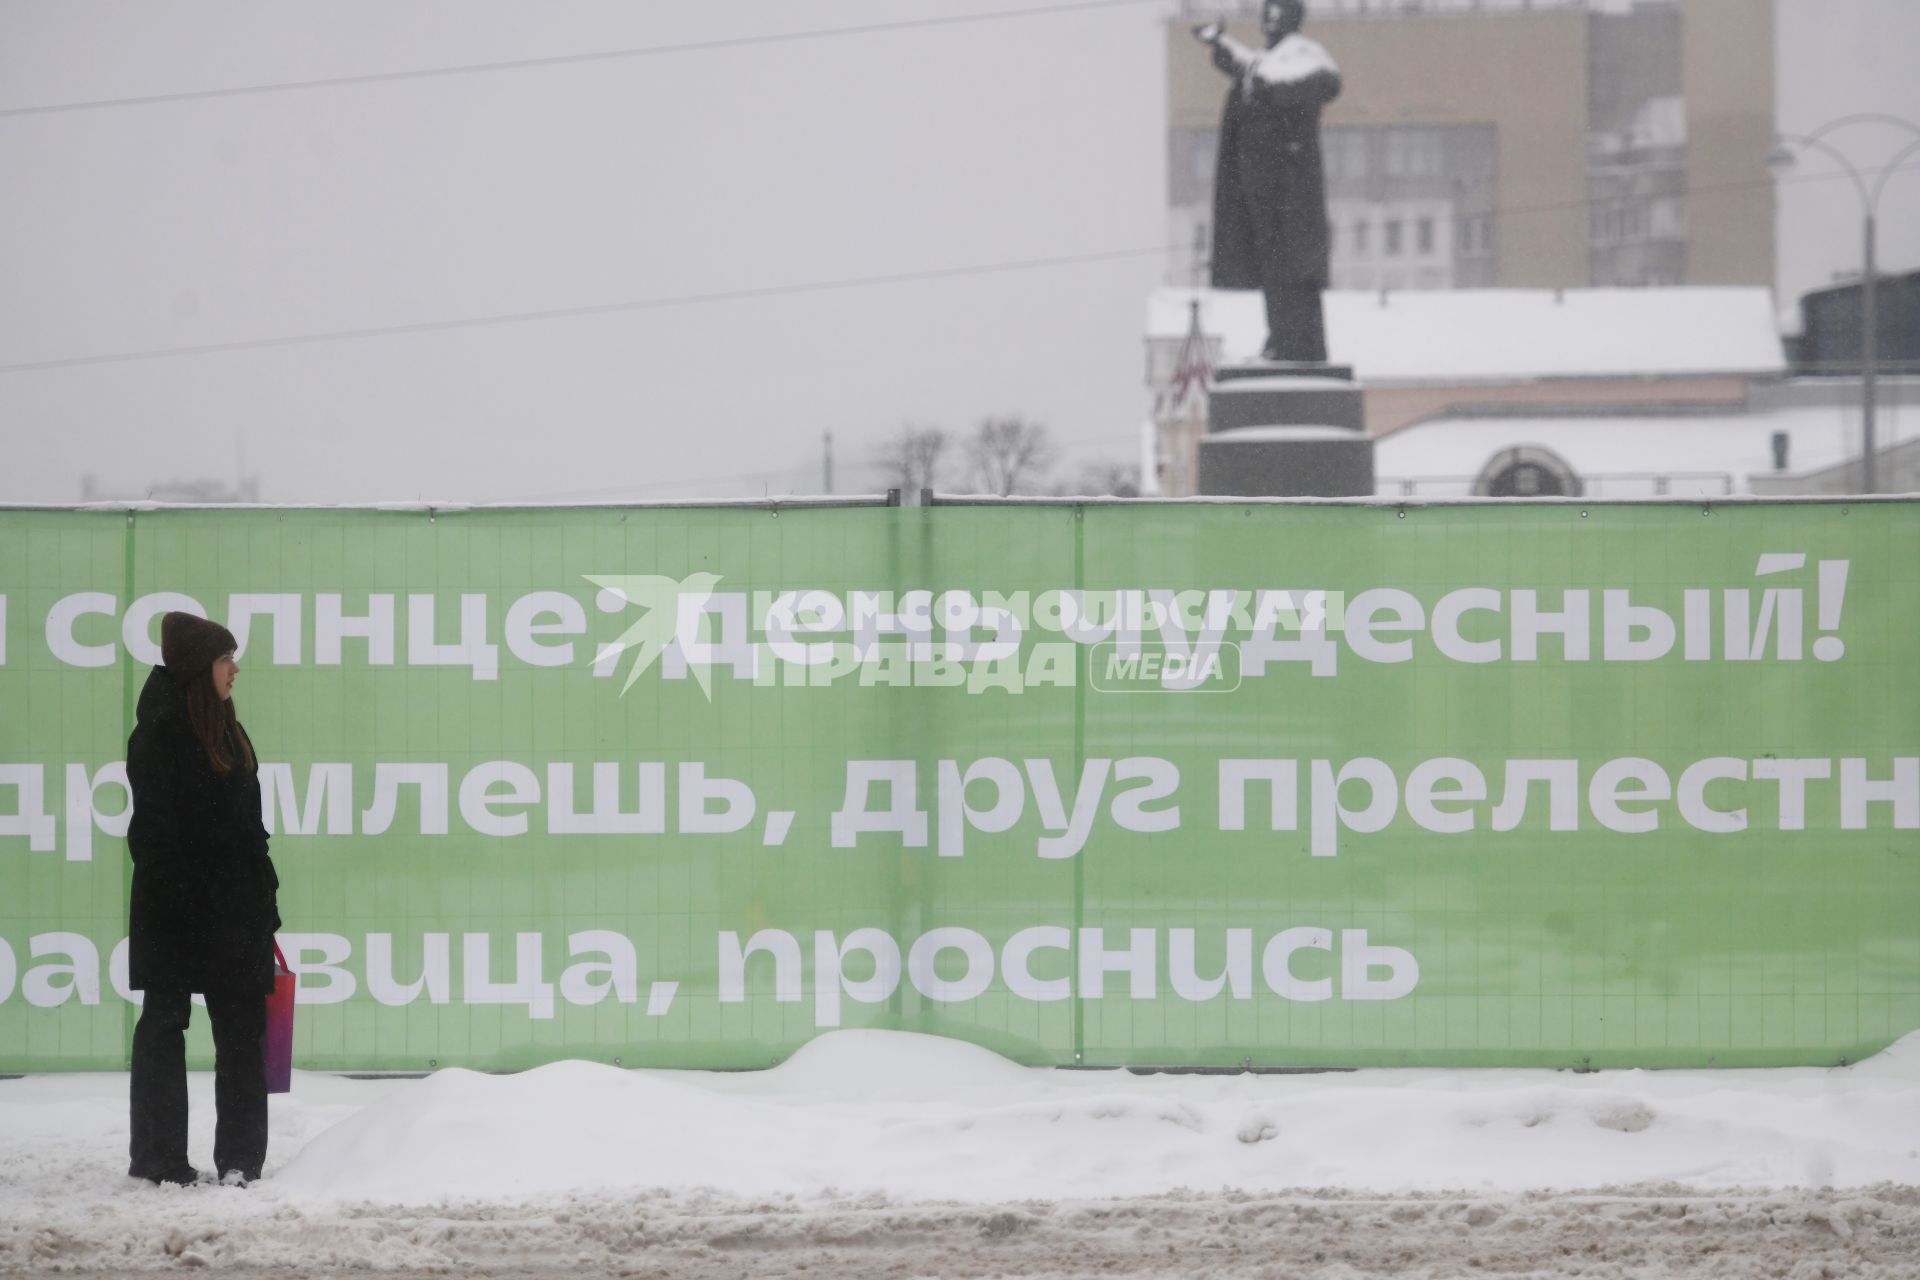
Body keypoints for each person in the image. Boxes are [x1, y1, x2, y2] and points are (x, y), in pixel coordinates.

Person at [125, 612, 280, 1187]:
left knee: (241, 1029)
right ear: (197, 668)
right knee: (165, 1024)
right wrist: (209, 890)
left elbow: (247, 827)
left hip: (235, 910)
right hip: (177, 910)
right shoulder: (159, 734)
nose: (235, 669)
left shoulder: (228, 728)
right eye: (224, 659)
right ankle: (158, 1158)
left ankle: (241, 1160)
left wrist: (262, 899)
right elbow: (156, 837)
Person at [1195, 0, 1341, 363]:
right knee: (1273, 272)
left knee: (1294, 274)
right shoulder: (1266, 59)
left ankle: (1299, 345)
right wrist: (1220, 43)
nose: (1270, 17)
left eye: (1279, 10)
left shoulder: (1305, 54)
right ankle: (1281, 339)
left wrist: (1266, 80)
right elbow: (1247, 65)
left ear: (1295, 16)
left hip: (1292, 193)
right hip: (1260, 190)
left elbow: (1326, 81)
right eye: (1267, 10)